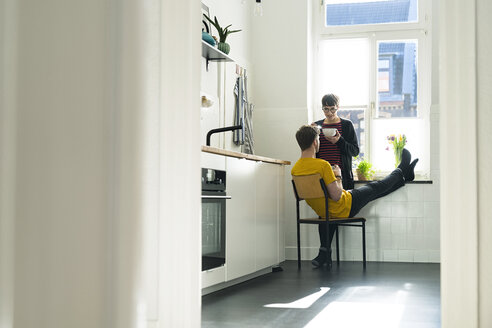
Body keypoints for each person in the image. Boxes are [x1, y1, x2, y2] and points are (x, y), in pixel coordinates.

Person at [291, 125, 418, 267]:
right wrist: (337, 175)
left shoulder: (295, 169)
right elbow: (337, 196)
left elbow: (306, 195)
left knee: (373, 193)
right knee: (375, 187)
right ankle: (402, 169)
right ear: (315, 142)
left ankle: (405, 177)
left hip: (326, 211)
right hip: (344, 207)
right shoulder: (322, 165)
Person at [312, 94, 359, 190]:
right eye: (326, 109)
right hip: (321, 175)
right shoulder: (317, 125)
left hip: (342, 176)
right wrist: (310, 133)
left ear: (338, 107)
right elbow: (311, 150)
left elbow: (355, 151)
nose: (329, 113)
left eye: (332, 109)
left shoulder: (346, 125)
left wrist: (339, 141)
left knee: (342, 204)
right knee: (323, 204)